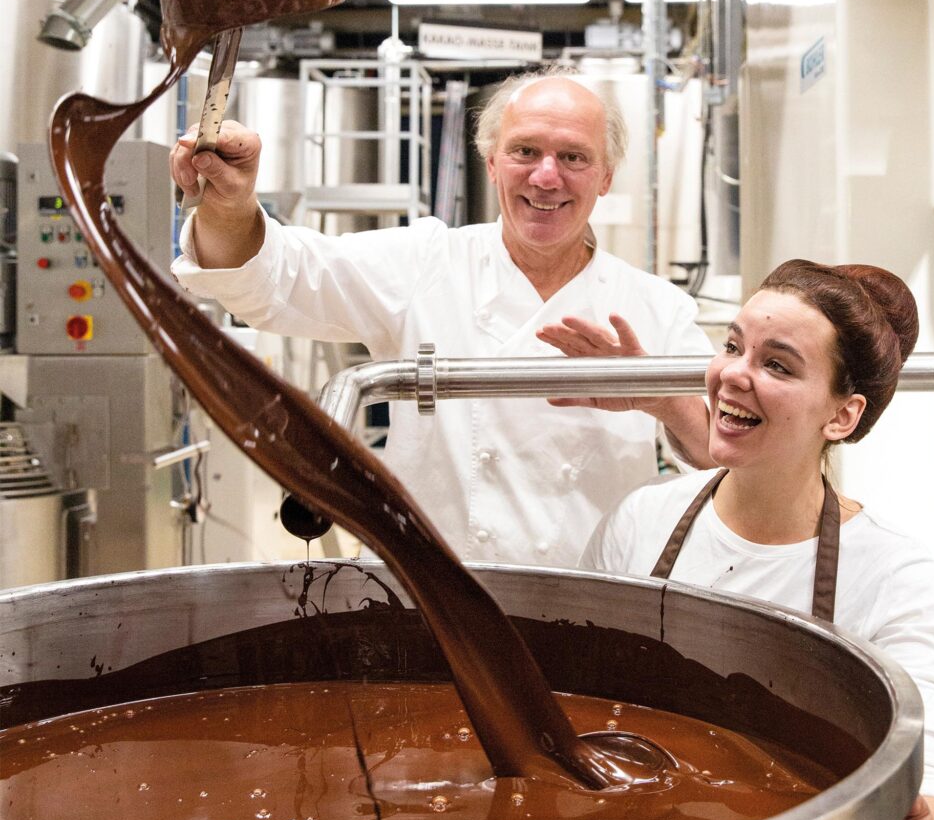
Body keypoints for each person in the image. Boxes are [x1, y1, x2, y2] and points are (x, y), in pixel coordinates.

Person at [170, 67, 714, 566]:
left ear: (606, 177)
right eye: (525, 151)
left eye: (574, 157)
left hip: (595, 603)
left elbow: (726, 459)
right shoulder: (426, 264)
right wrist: (230, 207)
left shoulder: (656, 307)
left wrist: (662, 400)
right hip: (430, 596)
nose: (547, 177)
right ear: (492, 162)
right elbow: (278, 278)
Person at [581, 259, 934, 820]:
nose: (734, 375)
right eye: (732, 346)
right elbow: (579, 700)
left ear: (842, 415)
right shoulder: (640, 522)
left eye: (777, 365)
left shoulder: (892, 573)